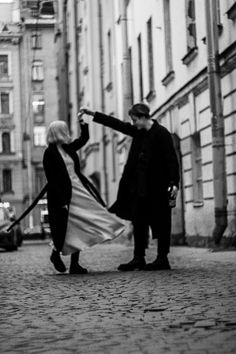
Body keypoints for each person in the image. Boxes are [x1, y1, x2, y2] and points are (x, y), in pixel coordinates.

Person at [80, 103, 179, 271]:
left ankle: (162, 258)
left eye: (134, 120)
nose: (133, 124)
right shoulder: (138, 132)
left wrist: (174, 184)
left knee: (161, 223)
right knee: (139, 222)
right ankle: (138, 258)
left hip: (158, 188)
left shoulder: (161, 134)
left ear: (143, 117)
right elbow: (117, 124)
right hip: (140, 189)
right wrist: (93, 114)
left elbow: (171, 160)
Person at [43, 117, 124, 274]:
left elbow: (84, 139)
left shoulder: (69, 148)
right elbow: (52, 179)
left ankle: (75, 264)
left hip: (77, 190)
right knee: (62, 229)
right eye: (64, 130)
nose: (67, 132)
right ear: (58, 132)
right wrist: (61, 201)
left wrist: (82, 123)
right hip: (61, 196)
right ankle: (55, 254)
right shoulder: (49, 153)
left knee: (80, 225)